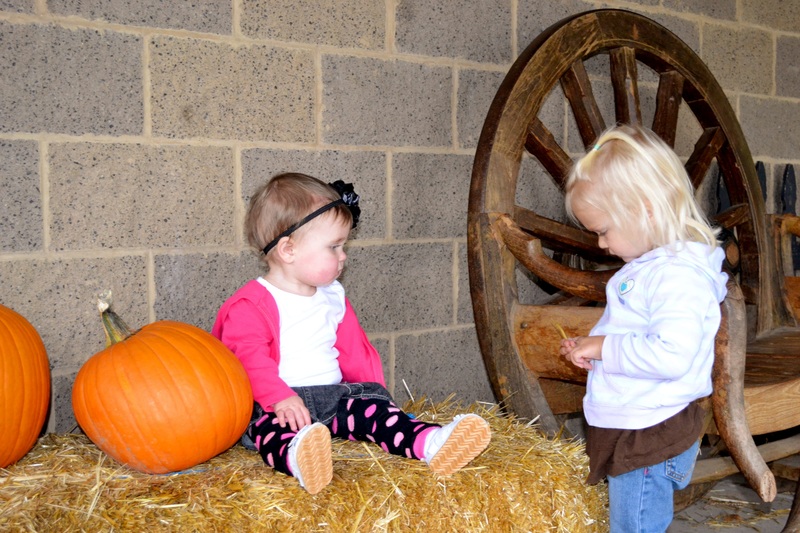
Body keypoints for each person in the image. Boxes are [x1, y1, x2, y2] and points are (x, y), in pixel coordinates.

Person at [212, 172, 491, 494]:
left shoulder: (332, 295)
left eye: (343, 245)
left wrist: (377, 396)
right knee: (269, 431)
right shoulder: (252, 304)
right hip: (277, 404)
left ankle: (430, 443)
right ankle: (299, 457)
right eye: (334, 247)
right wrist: (279, 398)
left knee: (377, 415)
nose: (343, 255)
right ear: (288, 250)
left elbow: (353, 352)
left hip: (335, 398)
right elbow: (247, 360)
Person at [558, 125, 728, 532]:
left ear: (646, 209)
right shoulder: (654, 269)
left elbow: (670, 355)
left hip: (651, 431)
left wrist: (605, 348)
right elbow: (634, 335)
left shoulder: (677, 276)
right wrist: (594, 351)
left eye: (603, 230)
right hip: (640, 422)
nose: (601, 244)